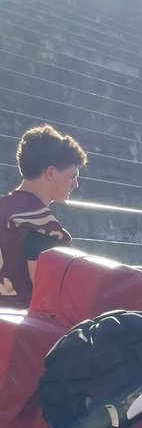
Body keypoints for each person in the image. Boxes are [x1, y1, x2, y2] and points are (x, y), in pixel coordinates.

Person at [0, 124, 86, 309]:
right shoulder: (42, 227)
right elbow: (47, 302)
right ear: (51, 172)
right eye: (72, 176)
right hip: (19, 330)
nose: (76, 184)